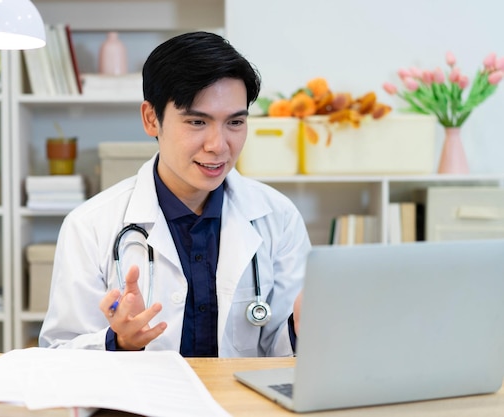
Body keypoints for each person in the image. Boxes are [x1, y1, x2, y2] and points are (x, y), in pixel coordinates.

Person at [39, 31, 311, 357]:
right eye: (197, 121)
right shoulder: (89, 226)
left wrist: (301, 330)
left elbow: (280, 354)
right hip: (143, 405)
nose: (219, 145)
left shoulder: (278, 217)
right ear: (151, 119)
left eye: (235, 122)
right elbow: (59, 353)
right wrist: (120, 342)